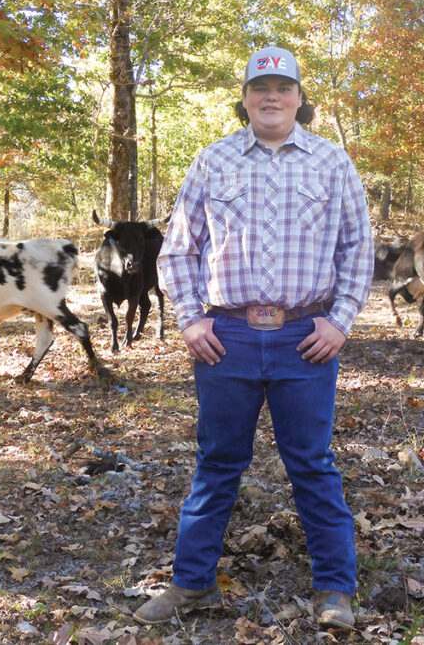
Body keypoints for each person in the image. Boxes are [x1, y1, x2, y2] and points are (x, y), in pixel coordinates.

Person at [134, 45, 373, 629]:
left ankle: (335, 592)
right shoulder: (212, 161)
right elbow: (179, 249)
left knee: (313, 465)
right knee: (217, 462)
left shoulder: (332, 162)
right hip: (228, 339)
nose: (272, 96)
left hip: (305, 338)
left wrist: (339, 321)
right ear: (244, 98)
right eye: (260, 86)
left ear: (299, 97)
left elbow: (357, 248)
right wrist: (190, 319)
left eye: (283, 87)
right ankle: (191, 586)